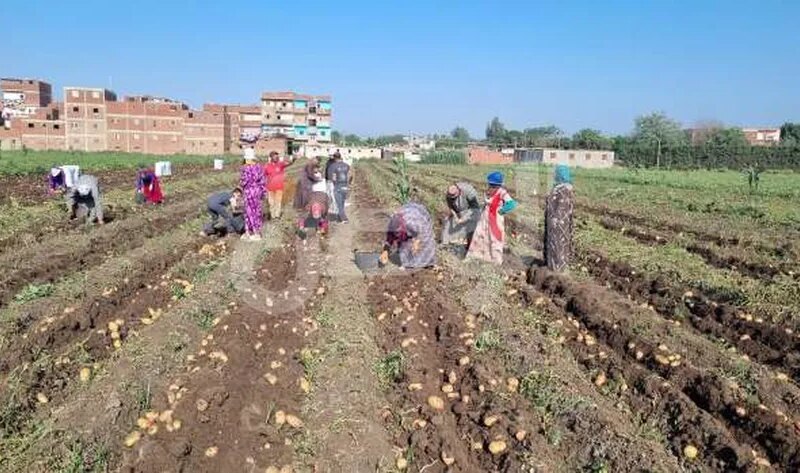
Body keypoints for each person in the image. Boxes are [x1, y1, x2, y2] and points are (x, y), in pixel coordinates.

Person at [466, 171, 517, 265]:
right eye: (490, 185)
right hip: (485, 217)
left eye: (493, 185)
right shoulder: (489, 190)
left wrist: (502, 210)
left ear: (498, 185)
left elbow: (512, 204)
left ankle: (495, 260)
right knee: (480, 234)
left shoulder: (502, 192)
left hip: (495, 219)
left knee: (494, 238)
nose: (491, 187)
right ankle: (477, 255)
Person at [380, 200, 436, 269]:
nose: (396, 234)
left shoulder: (410, 222)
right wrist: (385, 251)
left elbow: (421, 231)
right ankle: (409, 263)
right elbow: (389, 240)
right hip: (410, 224)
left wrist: (416, 242)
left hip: (421, 220)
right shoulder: (392, 225)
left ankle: (428, 263)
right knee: (405, 247)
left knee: (424, 245)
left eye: (397, 231)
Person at [544, 164, 575, 271]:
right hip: (559, 225)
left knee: (556, 245)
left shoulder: (560, 190)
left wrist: (554, 220)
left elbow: (559, 208)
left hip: (556, 224)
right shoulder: (563, 189)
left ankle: (555, 268)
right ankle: (556, 267)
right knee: (558, 246)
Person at [240, 147, 266, 241]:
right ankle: (256, 232)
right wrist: (262, 193)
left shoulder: (245, 168)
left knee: (249, 212)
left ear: (246, 158)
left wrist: (242, 186)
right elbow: (263, 182)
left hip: (249, 192)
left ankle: (250, 232)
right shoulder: (259, 167)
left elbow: (243, 181)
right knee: (256, 211)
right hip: (257, 191)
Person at [263, 150, 295, 219]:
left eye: (277, 156)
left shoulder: (280, 164)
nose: (276, 157)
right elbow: (264, 176)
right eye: (274, 156)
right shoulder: (267, 166)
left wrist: (293, 159)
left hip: (279, 187)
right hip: (270, 188)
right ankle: (273, 216)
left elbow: (289, 163)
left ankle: (277, 216)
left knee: (278, 202)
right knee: (271, 203)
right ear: (271, 157)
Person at [326, 151, 352, 223]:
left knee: (338, 204)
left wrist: (335, 185)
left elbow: (332, 178)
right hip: (345, 186)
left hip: (337, 186)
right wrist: (348, 184)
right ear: (340, 157)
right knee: (342, 203)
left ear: (334, 158)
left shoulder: (333, 166)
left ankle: (344, 219)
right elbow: (350, 175)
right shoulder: (347, 165)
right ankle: (339, 218)